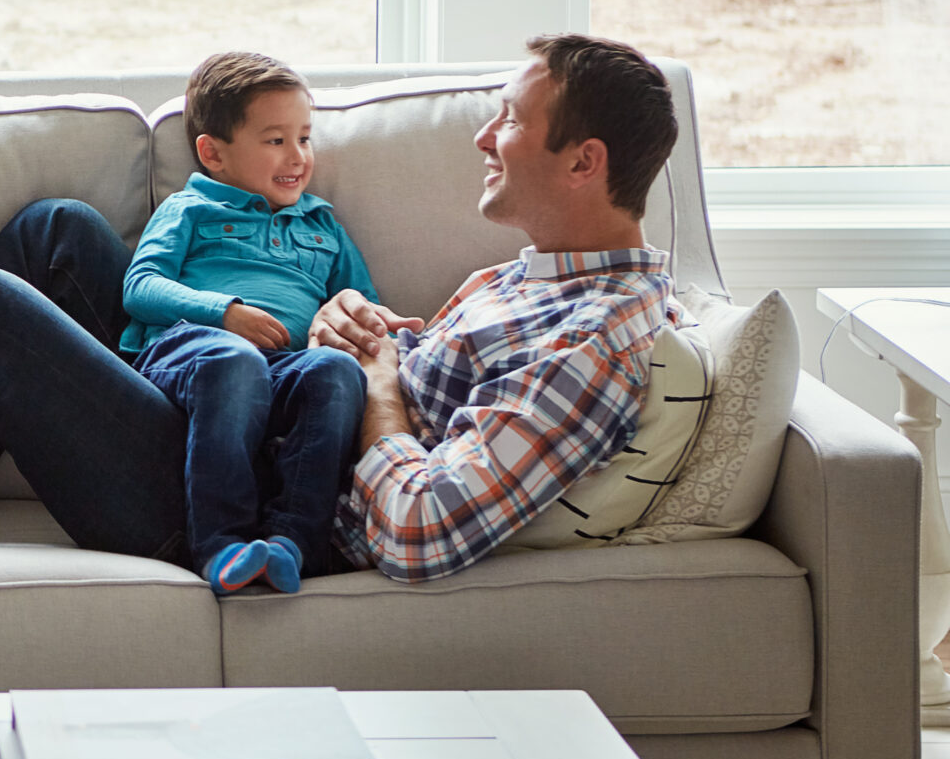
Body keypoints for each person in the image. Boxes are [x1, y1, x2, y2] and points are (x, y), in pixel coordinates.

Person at [308, 33, 682, 580]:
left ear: (583, 162)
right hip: (259, 430)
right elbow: (410, 383)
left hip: (272, 511)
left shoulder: (594, 341)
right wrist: (346, 324)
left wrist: (376, 384)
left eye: (509, 120)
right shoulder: (529, 278)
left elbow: (418, 531)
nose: (483, 138)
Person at [120, 53, 373, 595]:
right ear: (213, 153)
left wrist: (372, 323)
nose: (298, 156)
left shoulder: (321, 222)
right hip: (190, 356)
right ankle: (221, 543)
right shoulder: (191, 209)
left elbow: (358, 302)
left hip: (285, 367)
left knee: (334, 371)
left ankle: (291, 544)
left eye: (304, 138)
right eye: (275, 140)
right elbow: (140, 288)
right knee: (233, 360)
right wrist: (224, 313)